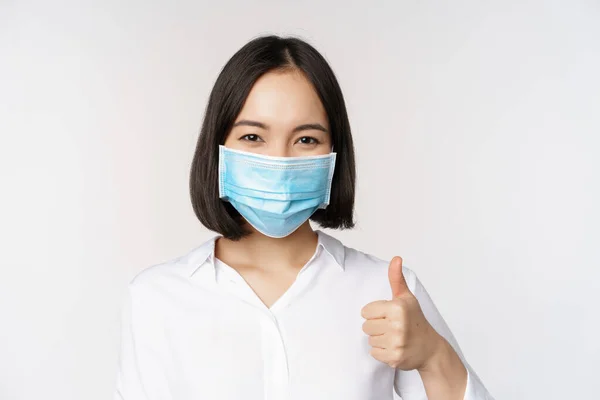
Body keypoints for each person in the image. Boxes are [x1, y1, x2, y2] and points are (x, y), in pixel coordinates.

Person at [114, 35, 494, 400]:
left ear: (334, 155)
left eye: (306, 139)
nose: (279, 160)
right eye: (252, 137)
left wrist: (433, 355)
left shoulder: (387, 292)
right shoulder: (157, 298)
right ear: (218, 149)